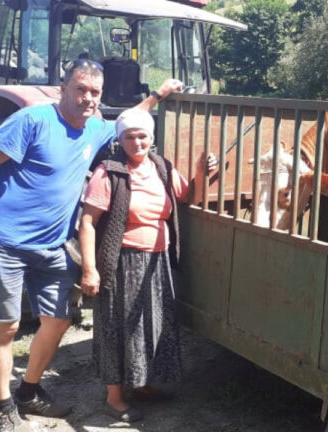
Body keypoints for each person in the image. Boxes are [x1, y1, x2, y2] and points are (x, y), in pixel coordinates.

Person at [0, 57, 184, 432]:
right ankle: (2, 406)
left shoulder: (95, 129)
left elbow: (130, 120)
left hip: (52, 245)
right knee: (7, 326)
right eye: (80, 89)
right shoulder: (33, 120)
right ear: (63, 89)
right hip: (6, 241)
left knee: (59, 320)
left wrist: (158, 94)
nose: (88, 98)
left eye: (95, 92)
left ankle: (29, 391)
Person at [78, 108, 215, 422]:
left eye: (142, 136)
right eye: (129, 137)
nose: (136, 142)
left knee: (150, 327)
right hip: (121, 262)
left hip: (156, 261)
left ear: (152, 138)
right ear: (120, 139)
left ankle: (140, 384)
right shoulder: (108, 172)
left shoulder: (161, 167)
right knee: (117, 328)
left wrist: (199, 171)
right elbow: (87, 223)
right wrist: (90, 268)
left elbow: (188, 196)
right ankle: (114, 398)